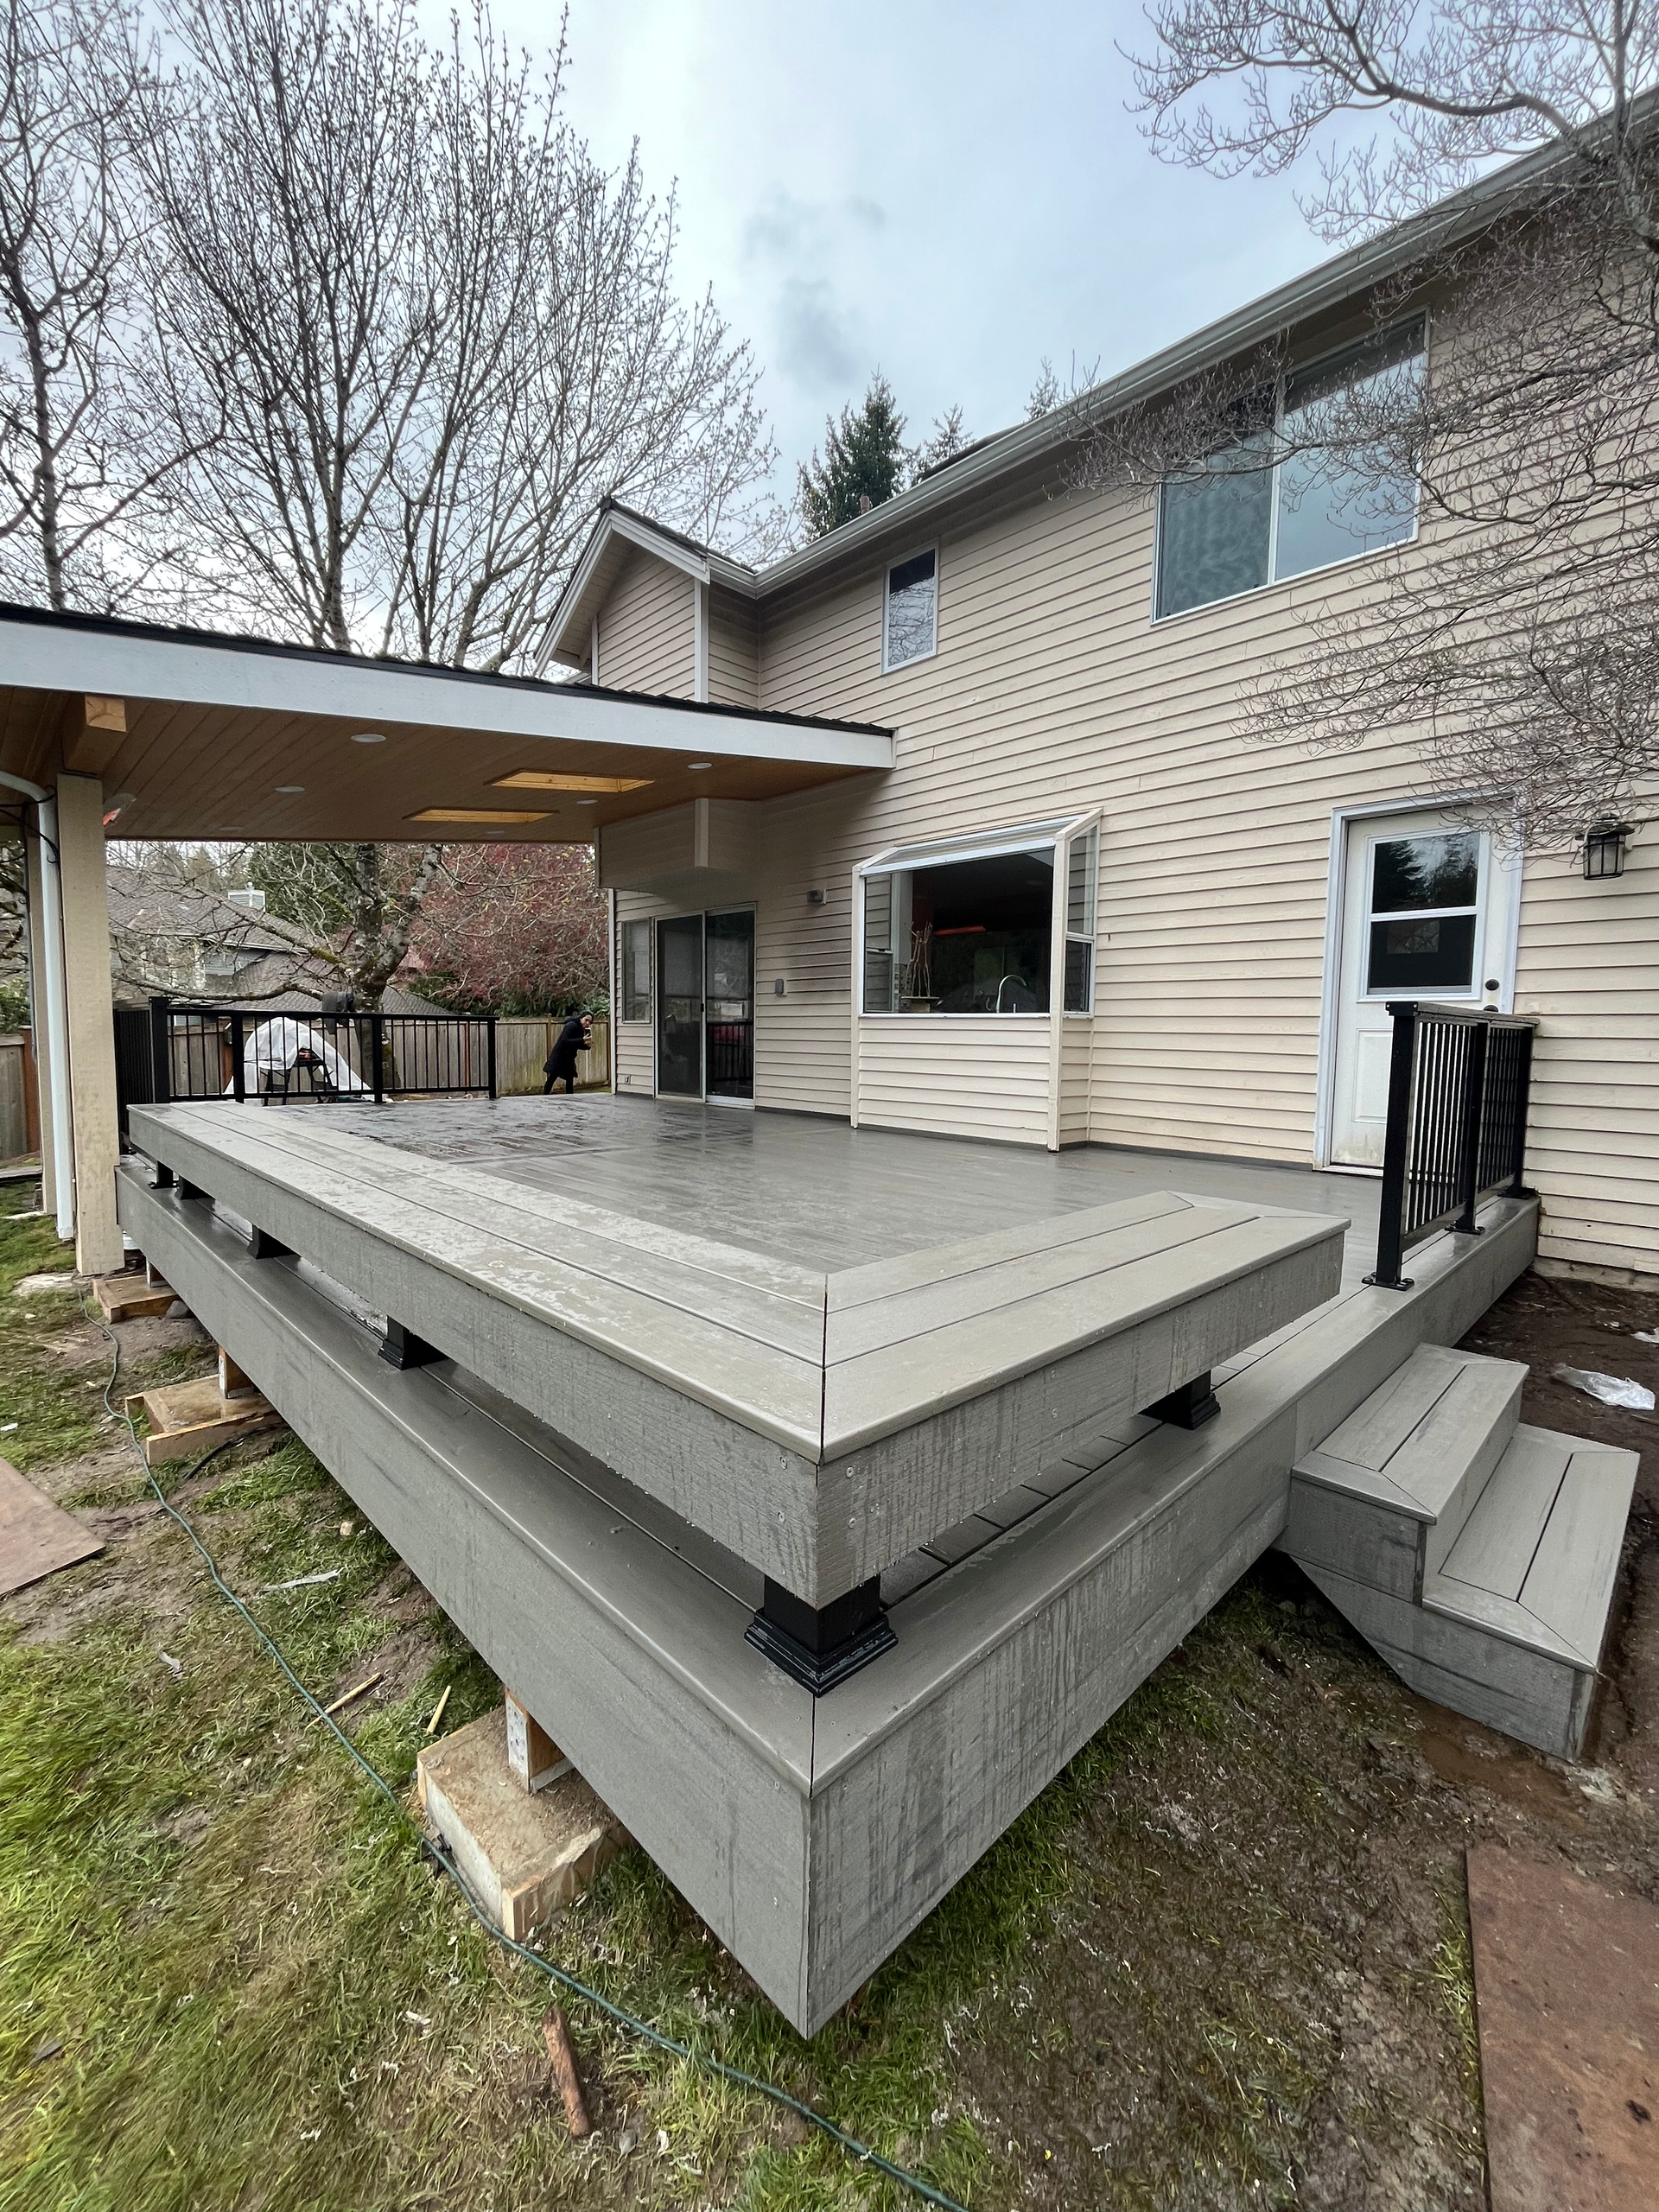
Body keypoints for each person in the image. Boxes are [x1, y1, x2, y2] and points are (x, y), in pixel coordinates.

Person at [543, 1011, 593, 1094]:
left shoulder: (580, 1029)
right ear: (581, 1018)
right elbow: (565, 1041)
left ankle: (571, 1099)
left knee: (570, 1079)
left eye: (590, 1022)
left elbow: (575, 1044)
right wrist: (582, 1040)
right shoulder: (571, 1025)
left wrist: (587, 1046)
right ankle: (544, 1096)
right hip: (559, 1057)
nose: (587, 1023)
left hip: (568, 1058)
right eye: (586, 1020)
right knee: (552, 1078)